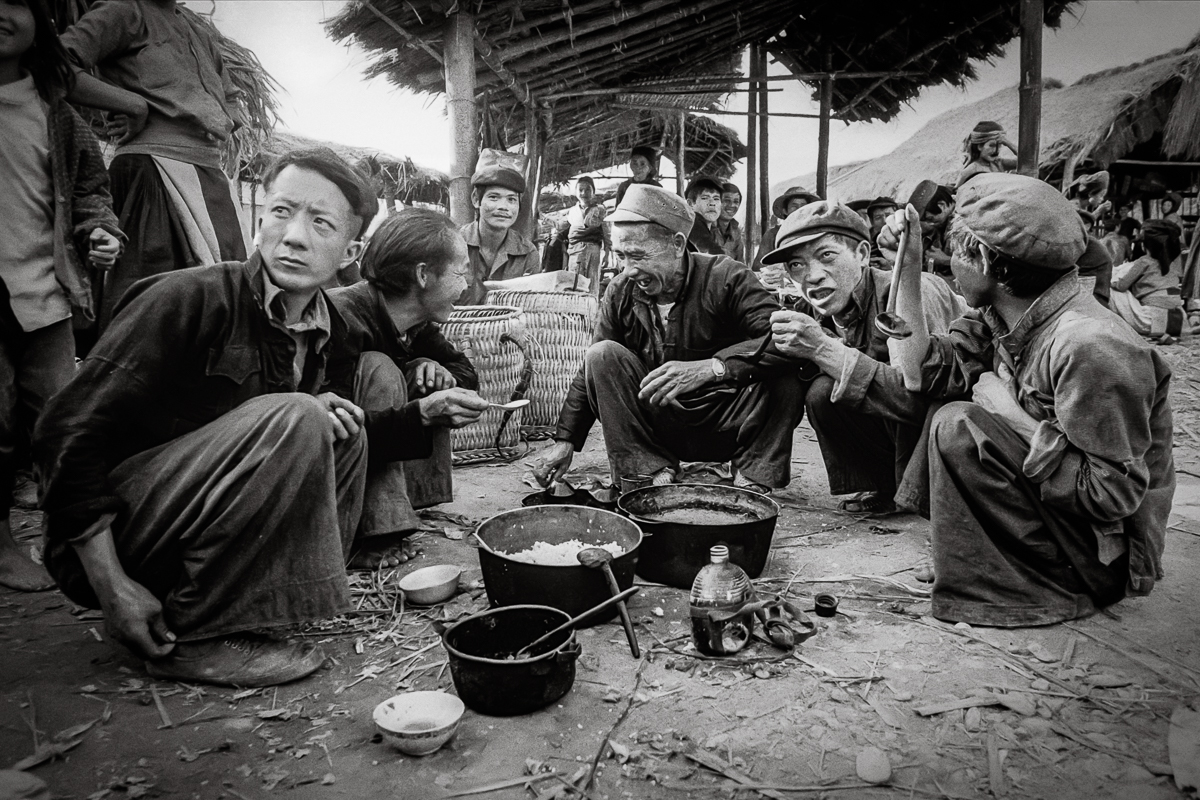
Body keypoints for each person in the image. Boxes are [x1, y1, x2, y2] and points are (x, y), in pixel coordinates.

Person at [33, 148, 456, 687]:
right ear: (260, 222)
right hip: (124, 537)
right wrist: (111, 583)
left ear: (349, 250)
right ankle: (194, 636)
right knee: (303, 414)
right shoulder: (189, 297)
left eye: (320, 223)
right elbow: (63, 431)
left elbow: (337, 433)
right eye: (281, 212)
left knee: (337, 428)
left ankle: (270, 600)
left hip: (201, 534)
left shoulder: (336, 332)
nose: (294, 236)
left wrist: (422, 415)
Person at [881, 172, 1173, 627]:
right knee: (947, 406)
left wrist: (1011, 416)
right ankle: (982, 564)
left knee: (960, 421)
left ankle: (1033, 586)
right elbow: (916, 371)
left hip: (1099, 561)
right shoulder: (1003, 315)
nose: (950, 267)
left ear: (982, 260)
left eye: (955, 253)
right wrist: (910, 266)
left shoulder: (1090, 345)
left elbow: (1112, 496)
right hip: (1063, 530)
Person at [535, 185, 804, 494]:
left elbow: (786, 339)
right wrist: (565, 440)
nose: (628, 269)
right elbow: (592, 369)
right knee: (602, 354)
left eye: (638, 255)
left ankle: (752, 470)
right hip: (658, 425)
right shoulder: (621, 290)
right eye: (621, 256)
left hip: (730, 420)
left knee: (786, 372)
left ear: (678, 244)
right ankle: (648, 470)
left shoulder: (727, 277)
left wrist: (714, 367)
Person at [0, 0, 124, 591]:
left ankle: (75, 546)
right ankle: (2, 545)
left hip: (44, 297)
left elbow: (90, 191)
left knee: (60, 421)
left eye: (14, 1)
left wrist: (100, 231)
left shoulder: (56, 112)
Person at [761, 202, 966, 515]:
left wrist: (822, 349)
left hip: (960, 436)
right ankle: (882, 486)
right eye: (796, 266)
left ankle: (923, 491)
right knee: (821, 392)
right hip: (908, 426)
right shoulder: (816, 310)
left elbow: (927, 397)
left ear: (861, 253)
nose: (812, 277)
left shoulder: (912, 292)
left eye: (826, 255)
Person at [61, 0, 249, 331]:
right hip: (151, 176)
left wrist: (219, 118)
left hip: (211, 180)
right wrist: (132, 105)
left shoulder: (199, 33)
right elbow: (56, 64)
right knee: (153, 312)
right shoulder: (125, 11)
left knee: (227, 302)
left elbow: (230, 98)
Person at [325, 209, 489, 569]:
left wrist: (434, 370)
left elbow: (465, 373)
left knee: (424, 374)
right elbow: (334, 431)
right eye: (460, 272)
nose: (464, 287)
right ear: (422, 275)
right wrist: (420, 407)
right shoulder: (343, 319)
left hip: (370, 442)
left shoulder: (414, 323)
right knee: (381, 369)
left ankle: (399, 513)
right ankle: (364, 533)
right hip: (326, 483)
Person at [458, 148, 540, 305]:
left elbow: (531, 307)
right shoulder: (453, 244)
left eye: (511, 199)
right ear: (476, 200)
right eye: (494, 197)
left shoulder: (528, 253)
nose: (504, 207)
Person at [1108, 219, 1190, 339]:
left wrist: (1111, 282)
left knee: (1111, 291)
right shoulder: (1173, 264)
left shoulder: (1144, 261)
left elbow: (1121, 286)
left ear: (1145, 244)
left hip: (1150, 319)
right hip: (1178, 318)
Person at [752, 186, 819, 270]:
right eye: (794, 206)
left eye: (803, 206)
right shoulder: (772, 235)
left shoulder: (816, 233)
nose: (799, 210)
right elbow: (758, 267)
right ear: (785, 211)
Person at [565, 176, 609, 290]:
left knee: (592, 283)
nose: (584, 193)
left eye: (588, 190)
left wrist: (607, 254)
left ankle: (592, 306)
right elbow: (565, 229)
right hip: (576, 251)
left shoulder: (600, 210)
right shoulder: (572, 212)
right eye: (580, 190)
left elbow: (607, 233)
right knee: (575, 283)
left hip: (593, 250)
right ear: (575, 192)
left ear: (593, 192)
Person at [956, 121, 1016, 188]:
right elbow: (956, 192)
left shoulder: (999, 163)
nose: (996, 150)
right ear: (980, 147)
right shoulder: (970, 170)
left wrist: (1008, 143)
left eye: (999, 145)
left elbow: (1027, 161)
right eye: (991, 145)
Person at [685, 176, 725, 256]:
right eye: (705, 198)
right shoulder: (693, 223)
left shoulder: (710, 229)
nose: (712, 203)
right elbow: (716, 257)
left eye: (716, 198)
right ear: (690, 204)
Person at [714, 182, 744, 261]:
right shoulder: (706, 227)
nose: (731, 205)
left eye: (736, 202)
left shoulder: (736, 232)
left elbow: (740, 264)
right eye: (727, 200)